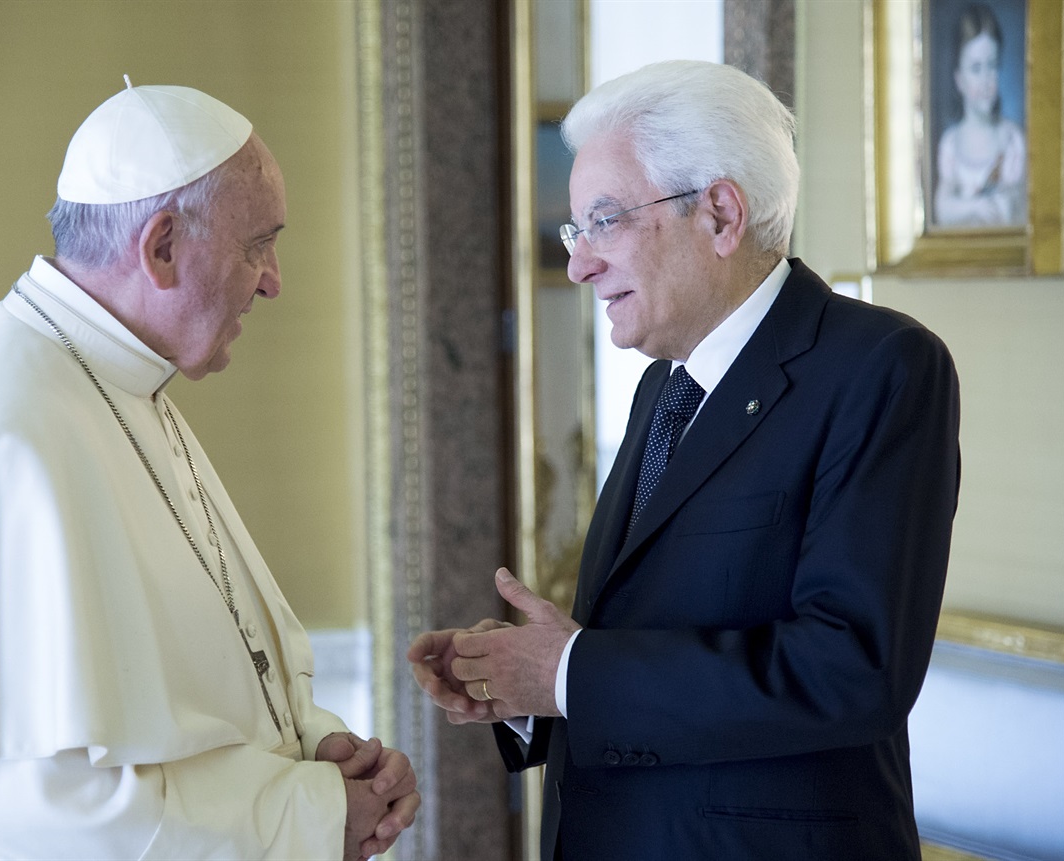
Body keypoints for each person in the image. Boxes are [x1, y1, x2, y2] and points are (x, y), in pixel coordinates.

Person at [0, 80, 418, 861]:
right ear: (162, 246)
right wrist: (309, 815)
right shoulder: (5, 434)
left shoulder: (120, 382)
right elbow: (48, 811)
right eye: (257, 244)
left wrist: (319, 753)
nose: (272, 279)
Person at [410, 60, 960, 860]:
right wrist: (522, 678)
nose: (578, 264)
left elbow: (850, 667)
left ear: (721, 215)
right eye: (576, 230)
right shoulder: (665, 390)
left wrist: (568, 673)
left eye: (604, 221)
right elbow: (649, 637)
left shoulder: (882, 366)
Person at [933, 2, 1027, 227]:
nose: (986, 80)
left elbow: (1022, 212)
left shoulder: (1013, 139)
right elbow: (941, 209)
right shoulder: (951, 143)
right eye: (976, 69)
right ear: (958, 78)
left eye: (992, 66)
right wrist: (975, 206)